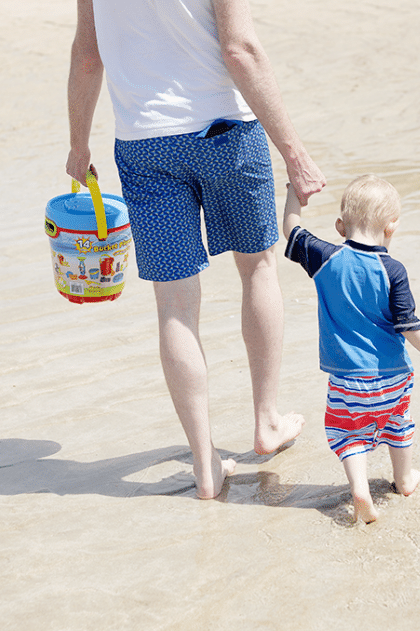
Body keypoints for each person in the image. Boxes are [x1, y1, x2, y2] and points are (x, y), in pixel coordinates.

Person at [65, 0, 327, 499]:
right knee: (257, 270)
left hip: (144, 146)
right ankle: (266, 421)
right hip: (226, 131)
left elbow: (86, 56)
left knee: (175, 305)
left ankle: (205, 467)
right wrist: (295, 152)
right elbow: (240, 50)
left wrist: (79, 146)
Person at [281, 175, 420, 523]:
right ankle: (404, 479)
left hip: (347, 381)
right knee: (397, 423)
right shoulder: (393, 270)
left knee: (348, 432)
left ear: (340, 226)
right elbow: (408, 323)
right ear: (392, 228)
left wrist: (293, 194)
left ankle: (359, 489)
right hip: (393, 378)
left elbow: (291, 230)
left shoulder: (325, 258)